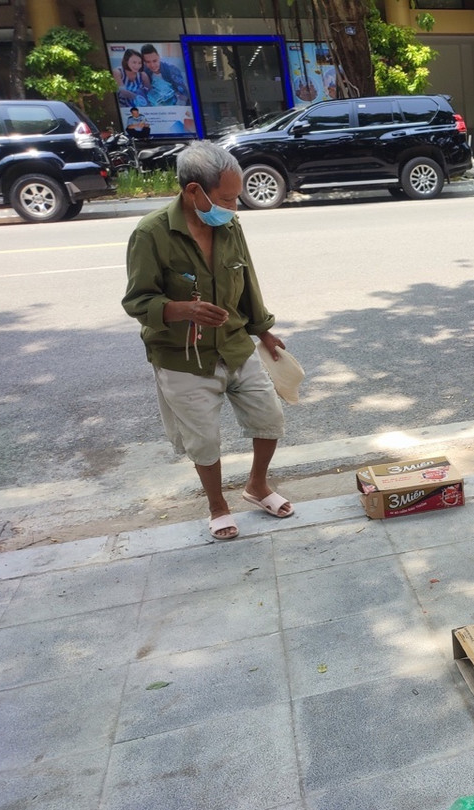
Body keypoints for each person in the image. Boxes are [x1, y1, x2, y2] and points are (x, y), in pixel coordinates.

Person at [121, 142, 293, 541]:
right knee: (204, 439)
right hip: (183, 357)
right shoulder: (151, 234)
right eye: (228, 198)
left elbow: (247, 279)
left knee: (269, 418)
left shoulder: (229, 226)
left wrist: (264, 330)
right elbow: (136, 300)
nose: (234, 206)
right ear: (194, 191)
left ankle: (257, 486)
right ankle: (217, 505)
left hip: (233, 343)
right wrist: (183, 309)